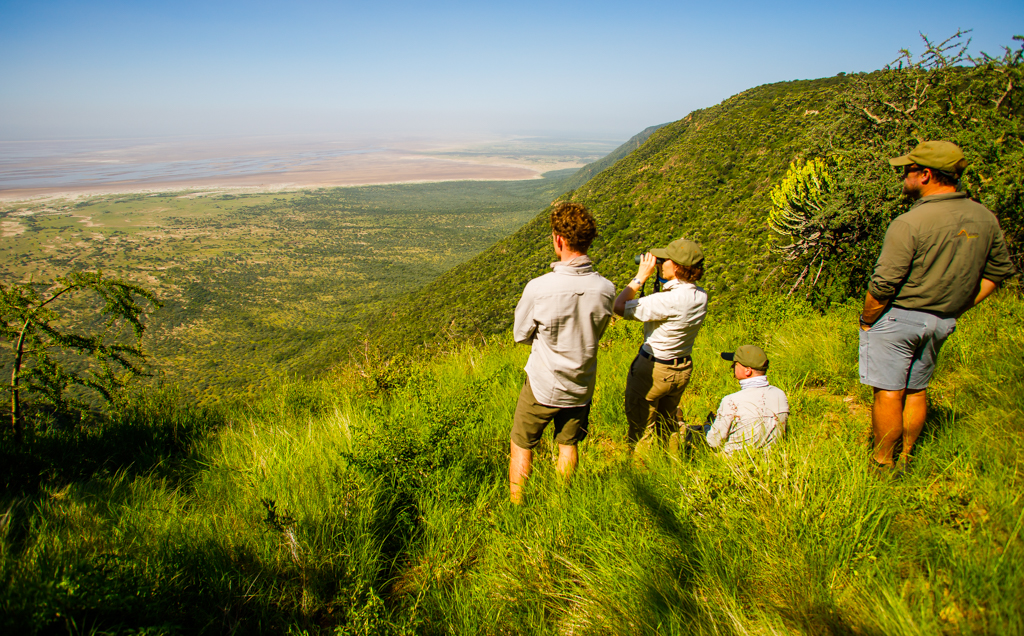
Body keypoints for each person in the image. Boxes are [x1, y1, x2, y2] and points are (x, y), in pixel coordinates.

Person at [859, 140, 1016, 472]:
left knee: (889, 392)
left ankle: (882, 462)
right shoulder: (984, 218)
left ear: (926, 175)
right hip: (942, 320)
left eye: (908, 170)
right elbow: (998, 272)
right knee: (917, 390)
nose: (904, 176)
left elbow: (883, 284)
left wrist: (868, 319)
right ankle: (907, 457)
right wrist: (958, 307)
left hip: (899, 317)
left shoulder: (911, 222)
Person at [509, 202, 615, 504]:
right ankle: (562, 501)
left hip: (543, 383)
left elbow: (520, 335)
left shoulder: (539, 288)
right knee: (568, 444)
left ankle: (517, 505)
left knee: (522, 443)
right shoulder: (606, 289)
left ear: (559, 240)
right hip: (581, 384)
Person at [613, 238, 708, 449]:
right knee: (668, 424)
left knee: (641, 428)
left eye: (665, 260)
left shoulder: (668, 300)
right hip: (682, 368)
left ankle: (642, 466)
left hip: (654, 369)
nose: (660, 263)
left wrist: (640, 277)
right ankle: (672, 462)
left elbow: (619, 306)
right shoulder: (701, 296)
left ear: (676, 267)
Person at [705, 345, 789, 455]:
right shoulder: (779, 394)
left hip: (735, 460)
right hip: (771, 457)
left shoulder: (731, 401)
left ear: (748, 371)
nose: (732, 366)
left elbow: (713, 442)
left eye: (735, 364)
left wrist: (707, 426)